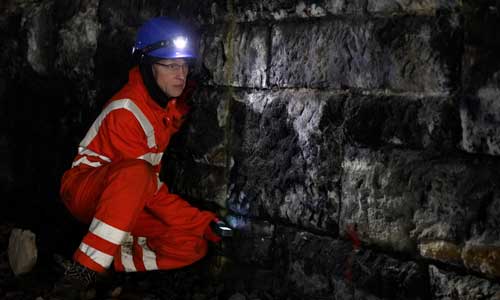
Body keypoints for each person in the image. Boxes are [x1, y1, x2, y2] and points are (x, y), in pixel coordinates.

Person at [51, 16, 230, 298]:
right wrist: (200, 220)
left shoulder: (162, 104)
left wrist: (198, 228)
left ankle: (109, 261)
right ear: (147, 66)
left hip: (130, 197)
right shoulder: (126, 112)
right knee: (137, 174)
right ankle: (81, 273)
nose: (181, 74)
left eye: (183, 66)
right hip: (85, 191)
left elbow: (166, 120)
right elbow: (148, 188)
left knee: (192, 244)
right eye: (171, 66)